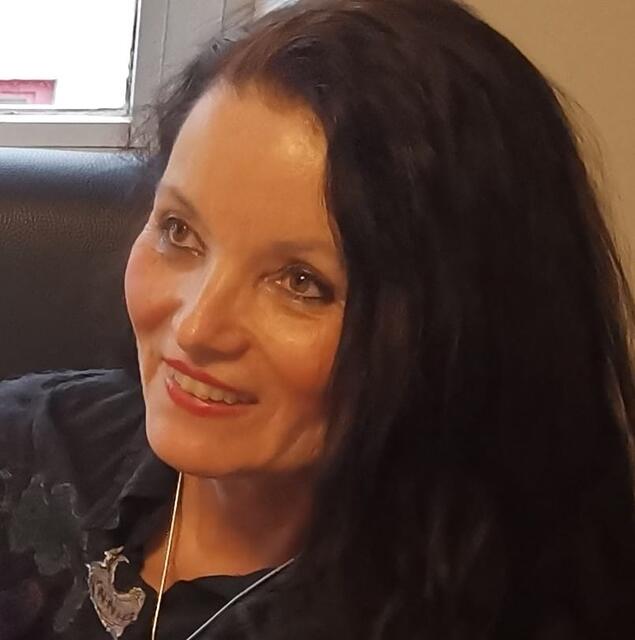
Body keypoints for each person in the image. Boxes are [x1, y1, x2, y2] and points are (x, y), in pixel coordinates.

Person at [1, 0, 635, 638]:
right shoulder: (30, 449)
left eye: (302, 282)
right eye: (179, 231)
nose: (196, 328)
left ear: (457, 331)